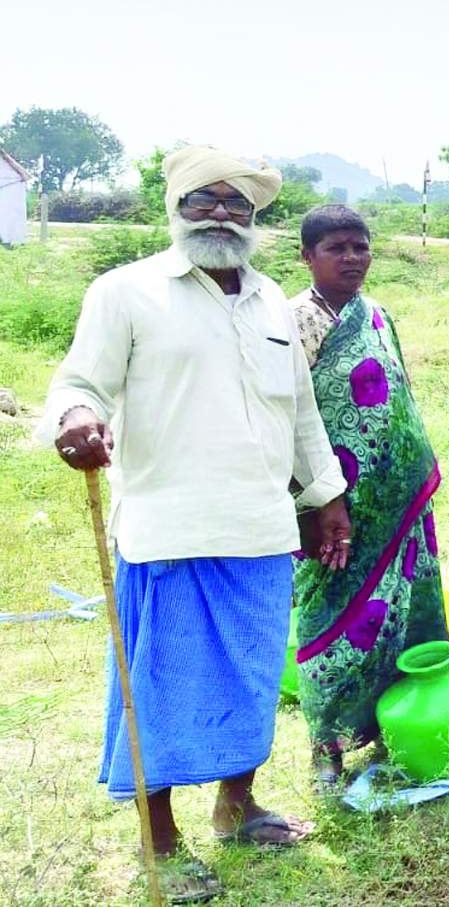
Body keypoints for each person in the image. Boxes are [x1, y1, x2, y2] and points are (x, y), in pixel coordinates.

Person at [40, 145, 350, 901]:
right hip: (167, 530)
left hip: (260, 529)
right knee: (160, 687)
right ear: (175, 208)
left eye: (236, 202)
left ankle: (237, 805)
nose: (219, 213)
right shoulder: (126, 291)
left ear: (254, 216)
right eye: (202, 199)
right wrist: (77, 417)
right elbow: (80, 382)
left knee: (251, 677)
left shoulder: (272, 302)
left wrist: (326, 496)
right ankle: (160, 839)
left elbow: (300, 411)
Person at [289, 205, 448, 786]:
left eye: (360, 246)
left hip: (400, 501)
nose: (353, 258)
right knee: (331, 616)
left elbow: (400, 393)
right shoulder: (294, 323)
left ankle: (395, 719)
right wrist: (310, 501)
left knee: (402, 611)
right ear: (307, 256)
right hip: (335, 504)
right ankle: (328, 741)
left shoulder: (376, 313)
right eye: (337, 248)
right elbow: (288, 415)